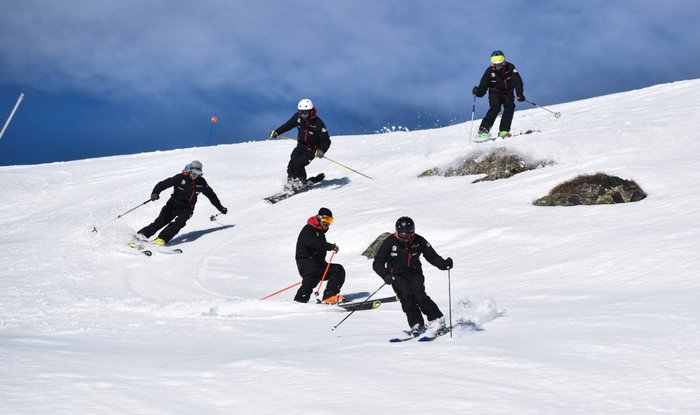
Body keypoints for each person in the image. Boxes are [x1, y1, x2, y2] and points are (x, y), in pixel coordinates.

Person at [372, 216, 453, 336]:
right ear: (397, 233)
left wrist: (444, 264)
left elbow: (431, 256)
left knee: (420, 296)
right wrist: (385, 275)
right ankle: (416, 324)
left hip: (415, 274)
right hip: (397, 276)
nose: (406, 239)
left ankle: (437, 320)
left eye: (409, 236)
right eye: (403, 236)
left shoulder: (419, 241)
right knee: (407, 298)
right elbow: (377, 263)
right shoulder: (389, 242)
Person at [136, 160, 227, 246]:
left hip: (188, 208)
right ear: (189, 170)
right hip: (173, 204)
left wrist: (220, 208)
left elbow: (212, 196)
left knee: (179, 223)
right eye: (193, 171)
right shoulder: (180, 178)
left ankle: (161, 239)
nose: (195, 175)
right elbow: (163, 184)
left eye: (198, 173)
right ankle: (140, 235)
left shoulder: (201, 182)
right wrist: (155, 193)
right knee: (161, 221)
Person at [269, 99, 331, 192]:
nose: (303, 115)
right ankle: (291, 182)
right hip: (300, 146)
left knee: (299, 164)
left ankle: (301, 182)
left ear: (311, 111)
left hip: (311, 149)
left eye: (305, 113)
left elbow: (326, 141)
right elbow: (287, 125)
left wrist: (321, 150)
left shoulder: (318, 124)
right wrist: (277, 132)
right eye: (301, 112)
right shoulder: (297, 117)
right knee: (291, 164)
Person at [294, 207, 345, 304]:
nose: (327, 223)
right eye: (326, 219)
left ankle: (330, 296)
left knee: (338, 270)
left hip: (318, 265)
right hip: (307, 263)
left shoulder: (321, 234)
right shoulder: (308, 229)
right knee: (311, 278)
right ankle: (298, 302)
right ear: (319, 218)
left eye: (330, 220)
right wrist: (330, 246)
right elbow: (313, 243)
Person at [472, 50, 525, 139]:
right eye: (495, 64)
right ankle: (483, 130)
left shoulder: (510, 67)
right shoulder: (489, 71)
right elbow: (483, 85)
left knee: (510, 107)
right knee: (495, 108)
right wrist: (478, 92)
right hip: (494, 92)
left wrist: (520, 94)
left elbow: (518, 82)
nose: (498, 67)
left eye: (500, 64)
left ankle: (503, 131)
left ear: (504, 61)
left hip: (508, 92)